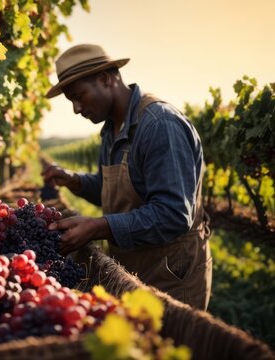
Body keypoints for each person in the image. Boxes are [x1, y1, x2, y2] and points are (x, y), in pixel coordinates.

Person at [42, 44, 212, 310]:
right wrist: (73, 179)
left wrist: (98, 227)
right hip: (132, 270)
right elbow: (111, 191)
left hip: (171, 274)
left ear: (105, 79)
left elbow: (173, 214)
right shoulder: (111, 130)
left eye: (78, 96)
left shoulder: (159, 126)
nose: (76, 108)